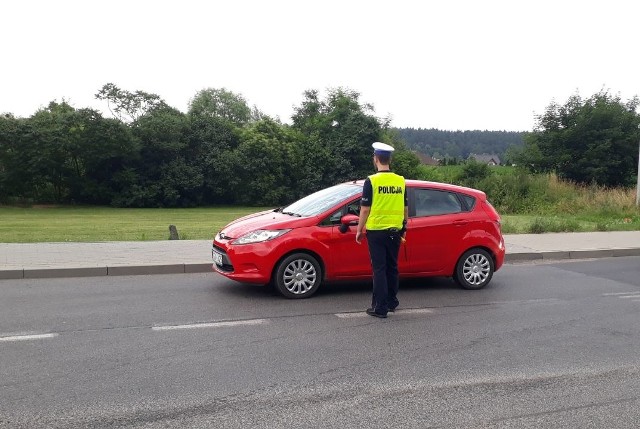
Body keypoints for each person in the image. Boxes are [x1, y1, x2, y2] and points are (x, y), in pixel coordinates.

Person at [355, 142, 408, 318]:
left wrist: (359, 229)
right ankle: (392, 302)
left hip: (377, 231)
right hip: (395, 230)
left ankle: (380, 308)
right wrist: (404, 227)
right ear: (389, 159)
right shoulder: (400, 181)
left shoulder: (372, 181)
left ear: (376, 159)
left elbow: (364, 209)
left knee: (379, 269)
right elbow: (405, 207)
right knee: (392, 267)